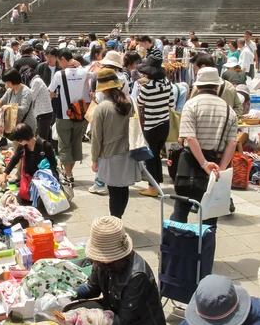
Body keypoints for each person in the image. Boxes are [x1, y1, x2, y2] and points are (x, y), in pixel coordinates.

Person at [63, 217, 166, 325]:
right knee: (70, 312)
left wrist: (90, 321)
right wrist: (68, 293)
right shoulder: (101, 263)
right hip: (114, 308)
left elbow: (124, 322)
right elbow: (92, 287)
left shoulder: (137, 276)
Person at [172, 67, 237, 225]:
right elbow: (232, 143)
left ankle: (174, 247)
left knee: (181, 210)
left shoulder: (191, 105)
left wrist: (204, 164)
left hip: (191, 163)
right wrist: (220, 168)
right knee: (209, 216)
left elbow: (190, 138)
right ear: (217, 86)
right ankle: (205, 248)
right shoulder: (229, 110)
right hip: (215, 161)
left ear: (198, 86)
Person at [91, 70, 141, 218]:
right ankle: (118, 217)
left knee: (113, 191)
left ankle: (115, 219)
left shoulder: (102, 107)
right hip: (128, 152)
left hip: (110, 154)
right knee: (123, 188)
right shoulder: (129, 102)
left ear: (102, 88)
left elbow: (96, 137)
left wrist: (94, 159)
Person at [49, 50, 88, 184]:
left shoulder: (60, 74)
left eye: (59, 61)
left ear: (63, 59)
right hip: (79, 115)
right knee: (76, 145)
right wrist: (80, 66)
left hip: (63, 115)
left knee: (64, 146)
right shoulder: (83, 72)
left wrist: (59, 96)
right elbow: (94, 72)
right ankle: (68, 172)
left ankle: (68, 175)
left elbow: (51, 93)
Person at [137, 56, 174, 197]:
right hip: (165, 123)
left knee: (150, 157)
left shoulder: (146, 88)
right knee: (157, 155)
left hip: (151, 125)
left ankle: (152, 186)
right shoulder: (168, 84)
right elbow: (171, 104)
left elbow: (140, 103)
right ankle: (157, 183)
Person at [0, 123, 58, 194]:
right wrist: (4, 174)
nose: (18, 142)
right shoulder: (22, 147)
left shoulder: (45, 146)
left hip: (43, 180)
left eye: (19, 140)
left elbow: (53, 165)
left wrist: (45, 177)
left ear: (24, 138)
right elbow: (14, 160)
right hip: (28, 180)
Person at [190, 54, 243, 118]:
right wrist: (230, 121)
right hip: (226, 126)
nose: (195, 72)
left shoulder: (198, 87)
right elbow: (238, 107)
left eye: (195, 68)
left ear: (203, 67)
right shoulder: (229, 86)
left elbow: (191, 109)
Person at [25, 68, 54, 141]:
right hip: (44, 112)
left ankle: (43, 152)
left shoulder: (36, 82)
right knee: (45, 136)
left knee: (42, 138)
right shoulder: (37, 81)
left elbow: (31, 97)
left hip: (43, 113)